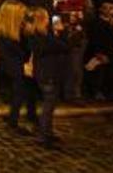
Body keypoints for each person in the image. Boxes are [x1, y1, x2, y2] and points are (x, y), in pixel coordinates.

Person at [0, 0, 37, 134]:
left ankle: (28, 115)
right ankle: (13, 121)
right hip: (15, 66)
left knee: (27, 90)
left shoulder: (17, 29)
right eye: (21, 13)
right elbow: (17, 52)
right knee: (19, 92)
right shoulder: (4, 34)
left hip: (18, 64)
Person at [27, 9, 69, 149]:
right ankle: (44, 135)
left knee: (49, 105)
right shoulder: (42, 37)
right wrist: (62, 32)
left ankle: (47, 132)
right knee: (48, 106)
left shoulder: (38, 35)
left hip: (45, 73)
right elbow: (64, 46)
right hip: (49, 75)